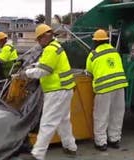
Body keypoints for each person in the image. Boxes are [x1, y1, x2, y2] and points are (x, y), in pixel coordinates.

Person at [19, 24, 77, 160]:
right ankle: (70, 147)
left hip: (57, 90)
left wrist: (26, 73)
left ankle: (37, 155)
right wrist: (34, 65)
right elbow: (46, 64)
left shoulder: (50, 49)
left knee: (48, 122)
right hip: (65, 89)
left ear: (45, 36)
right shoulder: (56, 47)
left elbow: (44, 71)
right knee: (63, 121)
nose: (39, 42)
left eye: (39, 39)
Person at [86, 29, 128, 151]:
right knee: (117, 114)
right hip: (119, 86)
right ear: (106, 40)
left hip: (104, 88)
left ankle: (101, 142)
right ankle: (114, 139)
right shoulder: (115, 51)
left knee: (101, 115)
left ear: (96, 42)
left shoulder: (93, 55)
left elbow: (88, 73)